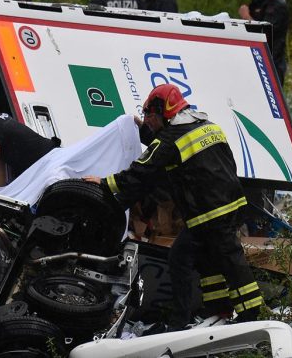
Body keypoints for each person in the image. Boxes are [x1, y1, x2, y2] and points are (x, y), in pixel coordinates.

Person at [84, 84, 263, 328]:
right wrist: (143, 133)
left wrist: (104, 183)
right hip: (230, 205)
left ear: (162, 112)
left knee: (227, 261)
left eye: (150, 116)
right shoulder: (206, 125)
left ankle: (251, 317)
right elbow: (172, 149)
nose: (148, 121)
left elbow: (142, 171)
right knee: (207, 260)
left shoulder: (171, 139)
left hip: (209, 213)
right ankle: (217, 312)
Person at [238, 0, 289, 85]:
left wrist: (246, 17)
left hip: (272, 62)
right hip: (257, 58)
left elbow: (266, 31)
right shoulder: (258, 1)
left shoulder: (276, 3)